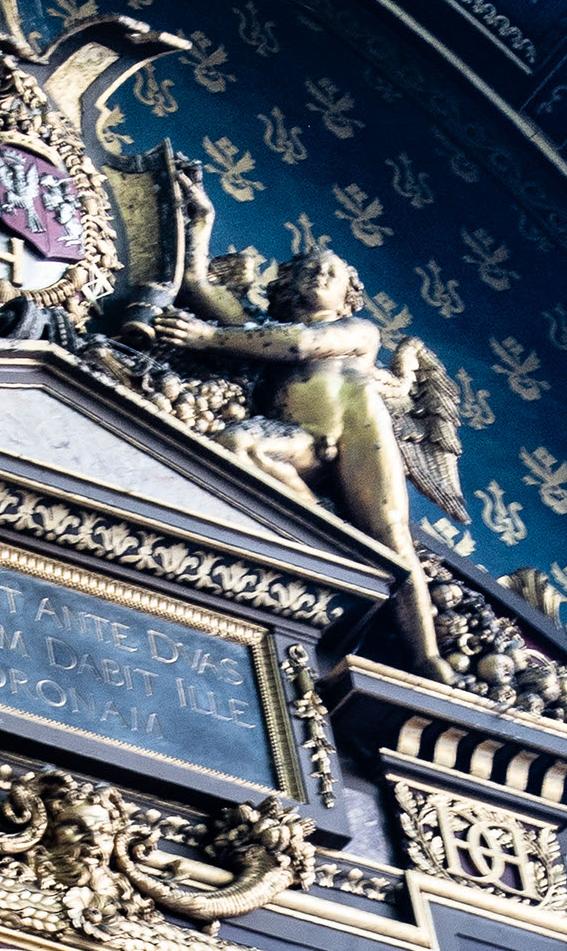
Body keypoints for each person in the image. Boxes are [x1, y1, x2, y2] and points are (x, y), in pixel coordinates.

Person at [113, 149, 461, 662]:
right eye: (309, 270)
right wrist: (203, 221)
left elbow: (298, 346)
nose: (320, 275)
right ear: (285, 287)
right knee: (236, 444)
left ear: (348, 297)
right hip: (296, 442)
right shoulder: (255, 331)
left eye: (332, 273)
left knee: (393, 537)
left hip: (354, 435)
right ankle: (325, 531)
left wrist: (209, 337)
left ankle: (427, 659)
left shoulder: (359, 332)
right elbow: (198, 285)